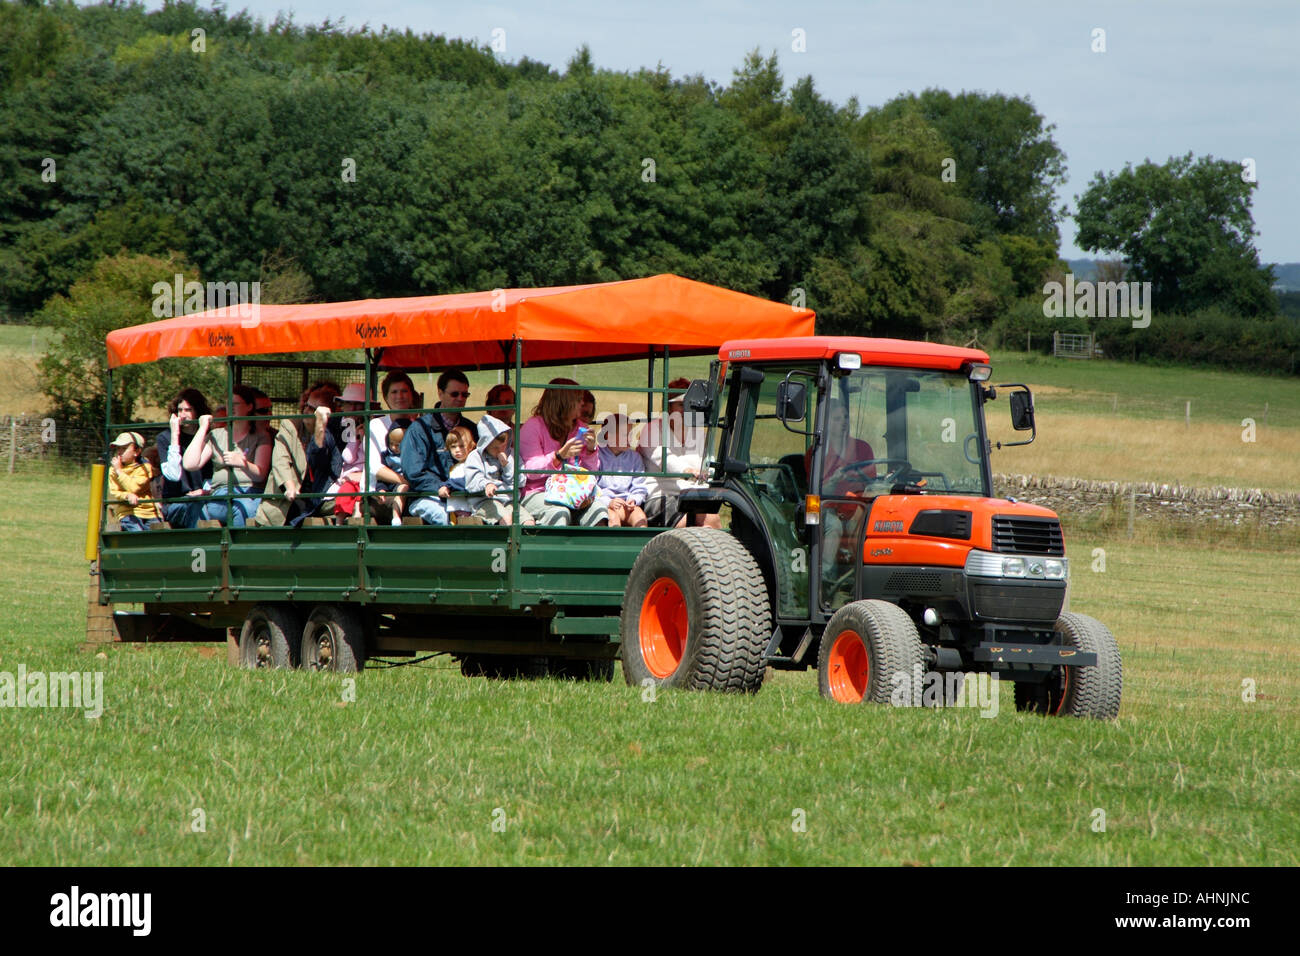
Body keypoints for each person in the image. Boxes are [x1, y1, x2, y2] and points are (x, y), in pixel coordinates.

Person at [518, 378, 608, 527]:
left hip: (573, 491)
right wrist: (558, 456)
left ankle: (595, 550)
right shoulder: (533, 427)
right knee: (559, 513)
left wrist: (591, 451)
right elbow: (530, 471)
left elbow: (591, 473)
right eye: (578, 400)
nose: (582, 404)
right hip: (539, 491)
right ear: (564, 402)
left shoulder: (580, 428)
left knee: (599, 510)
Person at [255, 381, 342, 527]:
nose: (307, 411)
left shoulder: (333, 431)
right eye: (307, 405)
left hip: (319, 493)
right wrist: (289, 486)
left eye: (313, 409)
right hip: (289, 499)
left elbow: (323, 458)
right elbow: (280, 460)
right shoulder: (290, 425)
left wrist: (320, 427)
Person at [637, 377, 721, 529]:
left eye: (688, 405)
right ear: (668, 407)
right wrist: (688, 471)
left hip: (695, 495)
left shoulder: (699, 432)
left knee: (712, 519)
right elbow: (665, 460)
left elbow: (709, 463)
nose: (685, 410)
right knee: (686, 522)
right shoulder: (651, 430)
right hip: (661, 496)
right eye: (680, 405)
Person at [183, 384, 271, 527]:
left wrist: (243, 463)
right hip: (219, 494)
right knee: (195, 507)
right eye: (228, 404)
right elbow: (190, 464)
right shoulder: (217, 435)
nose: (231, 408)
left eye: (236, 404)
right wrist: (203, 428)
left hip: (248, 493)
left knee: (242, 508)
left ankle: (237, 547)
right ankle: (199, 548)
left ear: (249, 407)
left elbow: (260, 474)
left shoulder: (261, 436)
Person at [156, 387, 212, 529]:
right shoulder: (165, 438)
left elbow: (211, 473)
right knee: (196, 508)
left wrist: (205, 491)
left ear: (197, 411)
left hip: (203, 497)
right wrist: (175, 437)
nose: (183, 415)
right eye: (180, 410)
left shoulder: (208, 437)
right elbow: (173, 475)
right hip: (176, 502)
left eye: (188, 410)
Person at [464, 415, 533, 526]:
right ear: (485, 445)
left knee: (528, 522)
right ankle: (506, 543)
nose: (501, 450)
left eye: (504, 445)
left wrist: (507, 466)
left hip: (509, 501)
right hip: (485, 501)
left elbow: (520, 482)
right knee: (506, 519)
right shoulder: (475, 457)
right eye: (495, 448)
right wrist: (487, 484)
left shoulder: (512, 455)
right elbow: (473, 480)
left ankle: (525, 542)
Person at [367, 371, 416, 523]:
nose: (399, 396)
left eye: (404, 391)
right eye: (394, 392)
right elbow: (374, 467)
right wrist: (404, 481)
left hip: (411, 491)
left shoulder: (419, 426)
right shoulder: (375, 425)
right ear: (386, 398)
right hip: (382, 490)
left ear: (412, 395)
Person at [596, 413, 649, 527]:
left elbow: (640, 486)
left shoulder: (634, 457)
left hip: (626, 503)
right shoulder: (597, 456)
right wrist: (608, 502)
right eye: (624, 435)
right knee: (613, 519)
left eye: (631, 434)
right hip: (604, 504)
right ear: (607, 435)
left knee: (640, 518)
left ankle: (640, 544)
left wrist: (633, 500)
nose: (629, 438)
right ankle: (614, 544)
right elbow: (591, 487)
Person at [327, 383, 367, 523]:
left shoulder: (376, 424)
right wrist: (356, 438)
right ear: (342, 405)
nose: (354, 409)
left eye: (358, 404)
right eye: (349, 403)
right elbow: (347, 457)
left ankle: (358, 509)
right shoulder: (334, 424)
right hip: (345, 477)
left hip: (370, 476)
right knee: (346, 489)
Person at [107, 431, 162, 532]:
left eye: (124, 448)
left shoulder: (145, 468)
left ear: (136, 452)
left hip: (149, 512)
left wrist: (119, 471)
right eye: (118, 448)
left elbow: (134, 487)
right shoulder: (112, 470)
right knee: (137, 533)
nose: (119, 452)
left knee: (158, 536)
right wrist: (127, 496)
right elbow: (115, 491)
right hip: (127, 512)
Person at [439, 424, 477, 521]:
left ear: (471, 446)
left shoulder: (471, 464)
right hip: (454, 510)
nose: (457, 450)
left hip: (467, 509)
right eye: (453, 447)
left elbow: (466, 482)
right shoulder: (454, 467)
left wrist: (447, 486)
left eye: (461, 446)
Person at [434, 369, 476, 435]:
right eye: (454, 394)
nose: (460, 399)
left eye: (465, 395)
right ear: (440, 394)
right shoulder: (421, 429)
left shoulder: (472, 429)